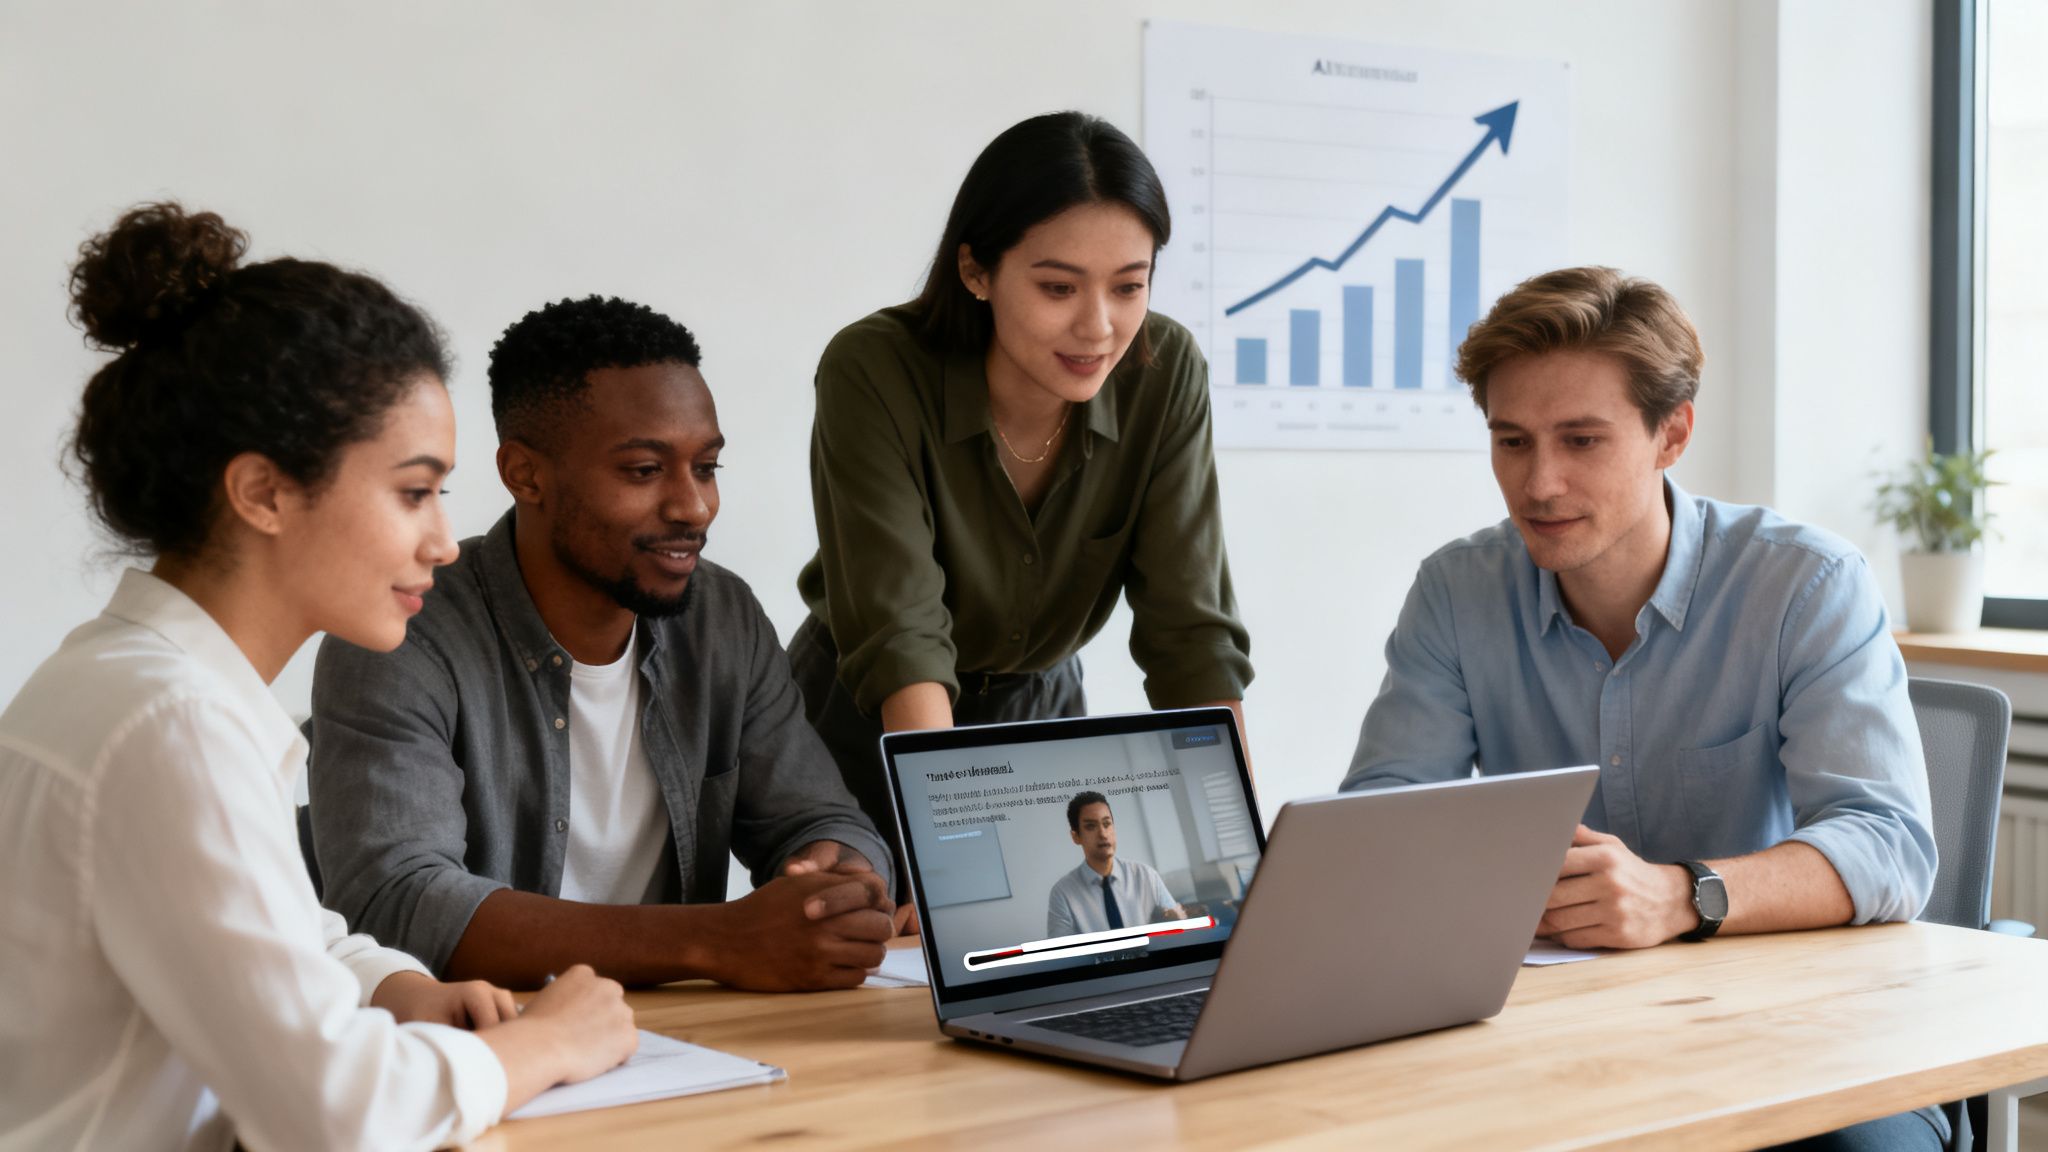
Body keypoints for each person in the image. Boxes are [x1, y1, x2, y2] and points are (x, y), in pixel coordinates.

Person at [0, 204, 636, 1151]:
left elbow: (273, 938)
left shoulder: (137, 686)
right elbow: (338, 1114)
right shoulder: (169, 723)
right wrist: (544, 1045)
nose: (442, 541)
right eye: (413, 491)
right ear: (262, 492)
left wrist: (396, 986)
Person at [1342, 267, 1942, 1151]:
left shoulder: (1805, 584)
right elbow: (1381, 825)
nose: (1538, 484)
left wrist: (1679, 895)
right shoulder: (1457, 592)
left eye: (1581, 441)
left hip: (1795, 1038)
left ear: (1673, 434)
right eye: (1512, 442)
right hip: (1558, 1037)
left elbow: (1888, 844)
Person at [308, 295, 896, 993]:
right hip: (491, 1055)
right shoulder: (402, 633)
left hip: (691, 1047)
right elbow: (397, 902)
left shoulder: (721, 615)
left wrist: (840, 877)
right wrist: (718, 941)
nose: (693, 507)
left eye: (706, 468)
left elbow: (819, 817)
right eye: (644, 471)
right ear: (525, 474)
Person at [791, 112, 1254, 919]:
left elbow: (1193, 635)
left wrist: (1242, 855)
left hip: (1035, 714)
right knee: (882, 974)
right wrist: (946, 857)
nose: (1099, 326)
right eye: (1057, 287)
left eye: (1129, 285)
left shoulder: (1164, 370)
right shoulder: (874, 369)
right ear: (976, 270)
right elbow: (903, 639)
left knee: (1040, 961)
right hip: (869, 722)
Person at [1046, 791, 1185, 937]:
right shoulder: (1062, 894)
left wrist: (1178, 923)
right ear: (1076, 837)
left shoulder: (1146, 876)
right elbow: (1063, 955)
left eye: (1107, 824)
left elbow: (1179, 929)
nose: (1103, 834)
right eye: (1091, 826)